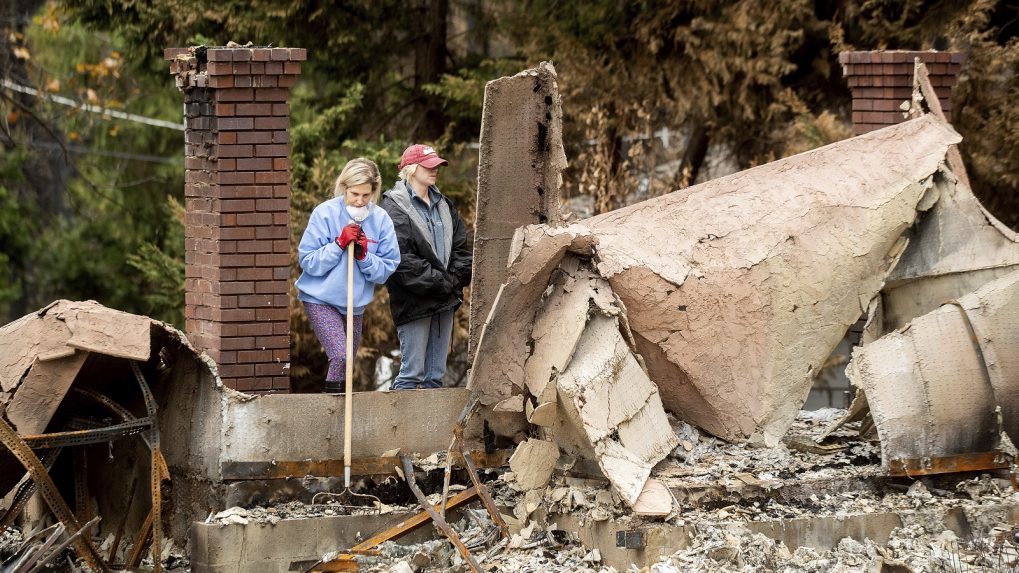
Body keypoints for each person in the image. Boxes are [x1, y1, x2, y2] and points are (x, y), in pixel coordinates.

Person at [296, 158, 400, 393]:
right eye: (354, 194)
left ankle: (340, 422)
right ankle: (331, 407)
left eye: (366, 195)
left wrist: (364, 256)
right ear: (344, 187)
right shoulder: (325, 213)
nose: (360, 200)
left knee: (347, 365)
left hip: (354, 304)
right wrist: (338, 244)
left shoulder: (381, 220)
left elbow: (386, 270)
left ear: (374, 191)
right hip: (320, 299)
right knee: (341, 356)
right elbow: (308, 261)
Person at [381, 144, 472, 390]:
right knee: (412, 374)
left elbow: (461, 248)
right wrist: (444, 283)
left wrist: (453, 281)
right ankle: (399, 428)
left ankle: (431, 430)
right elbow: (401, 259)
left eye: (437, 166)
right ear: (410, 169)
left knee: (436, 376)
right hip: (415, 302)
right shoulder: (393, 207)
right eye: (428, 166)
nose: (435, 171)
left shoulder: (445, 205)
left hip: (444, 299)